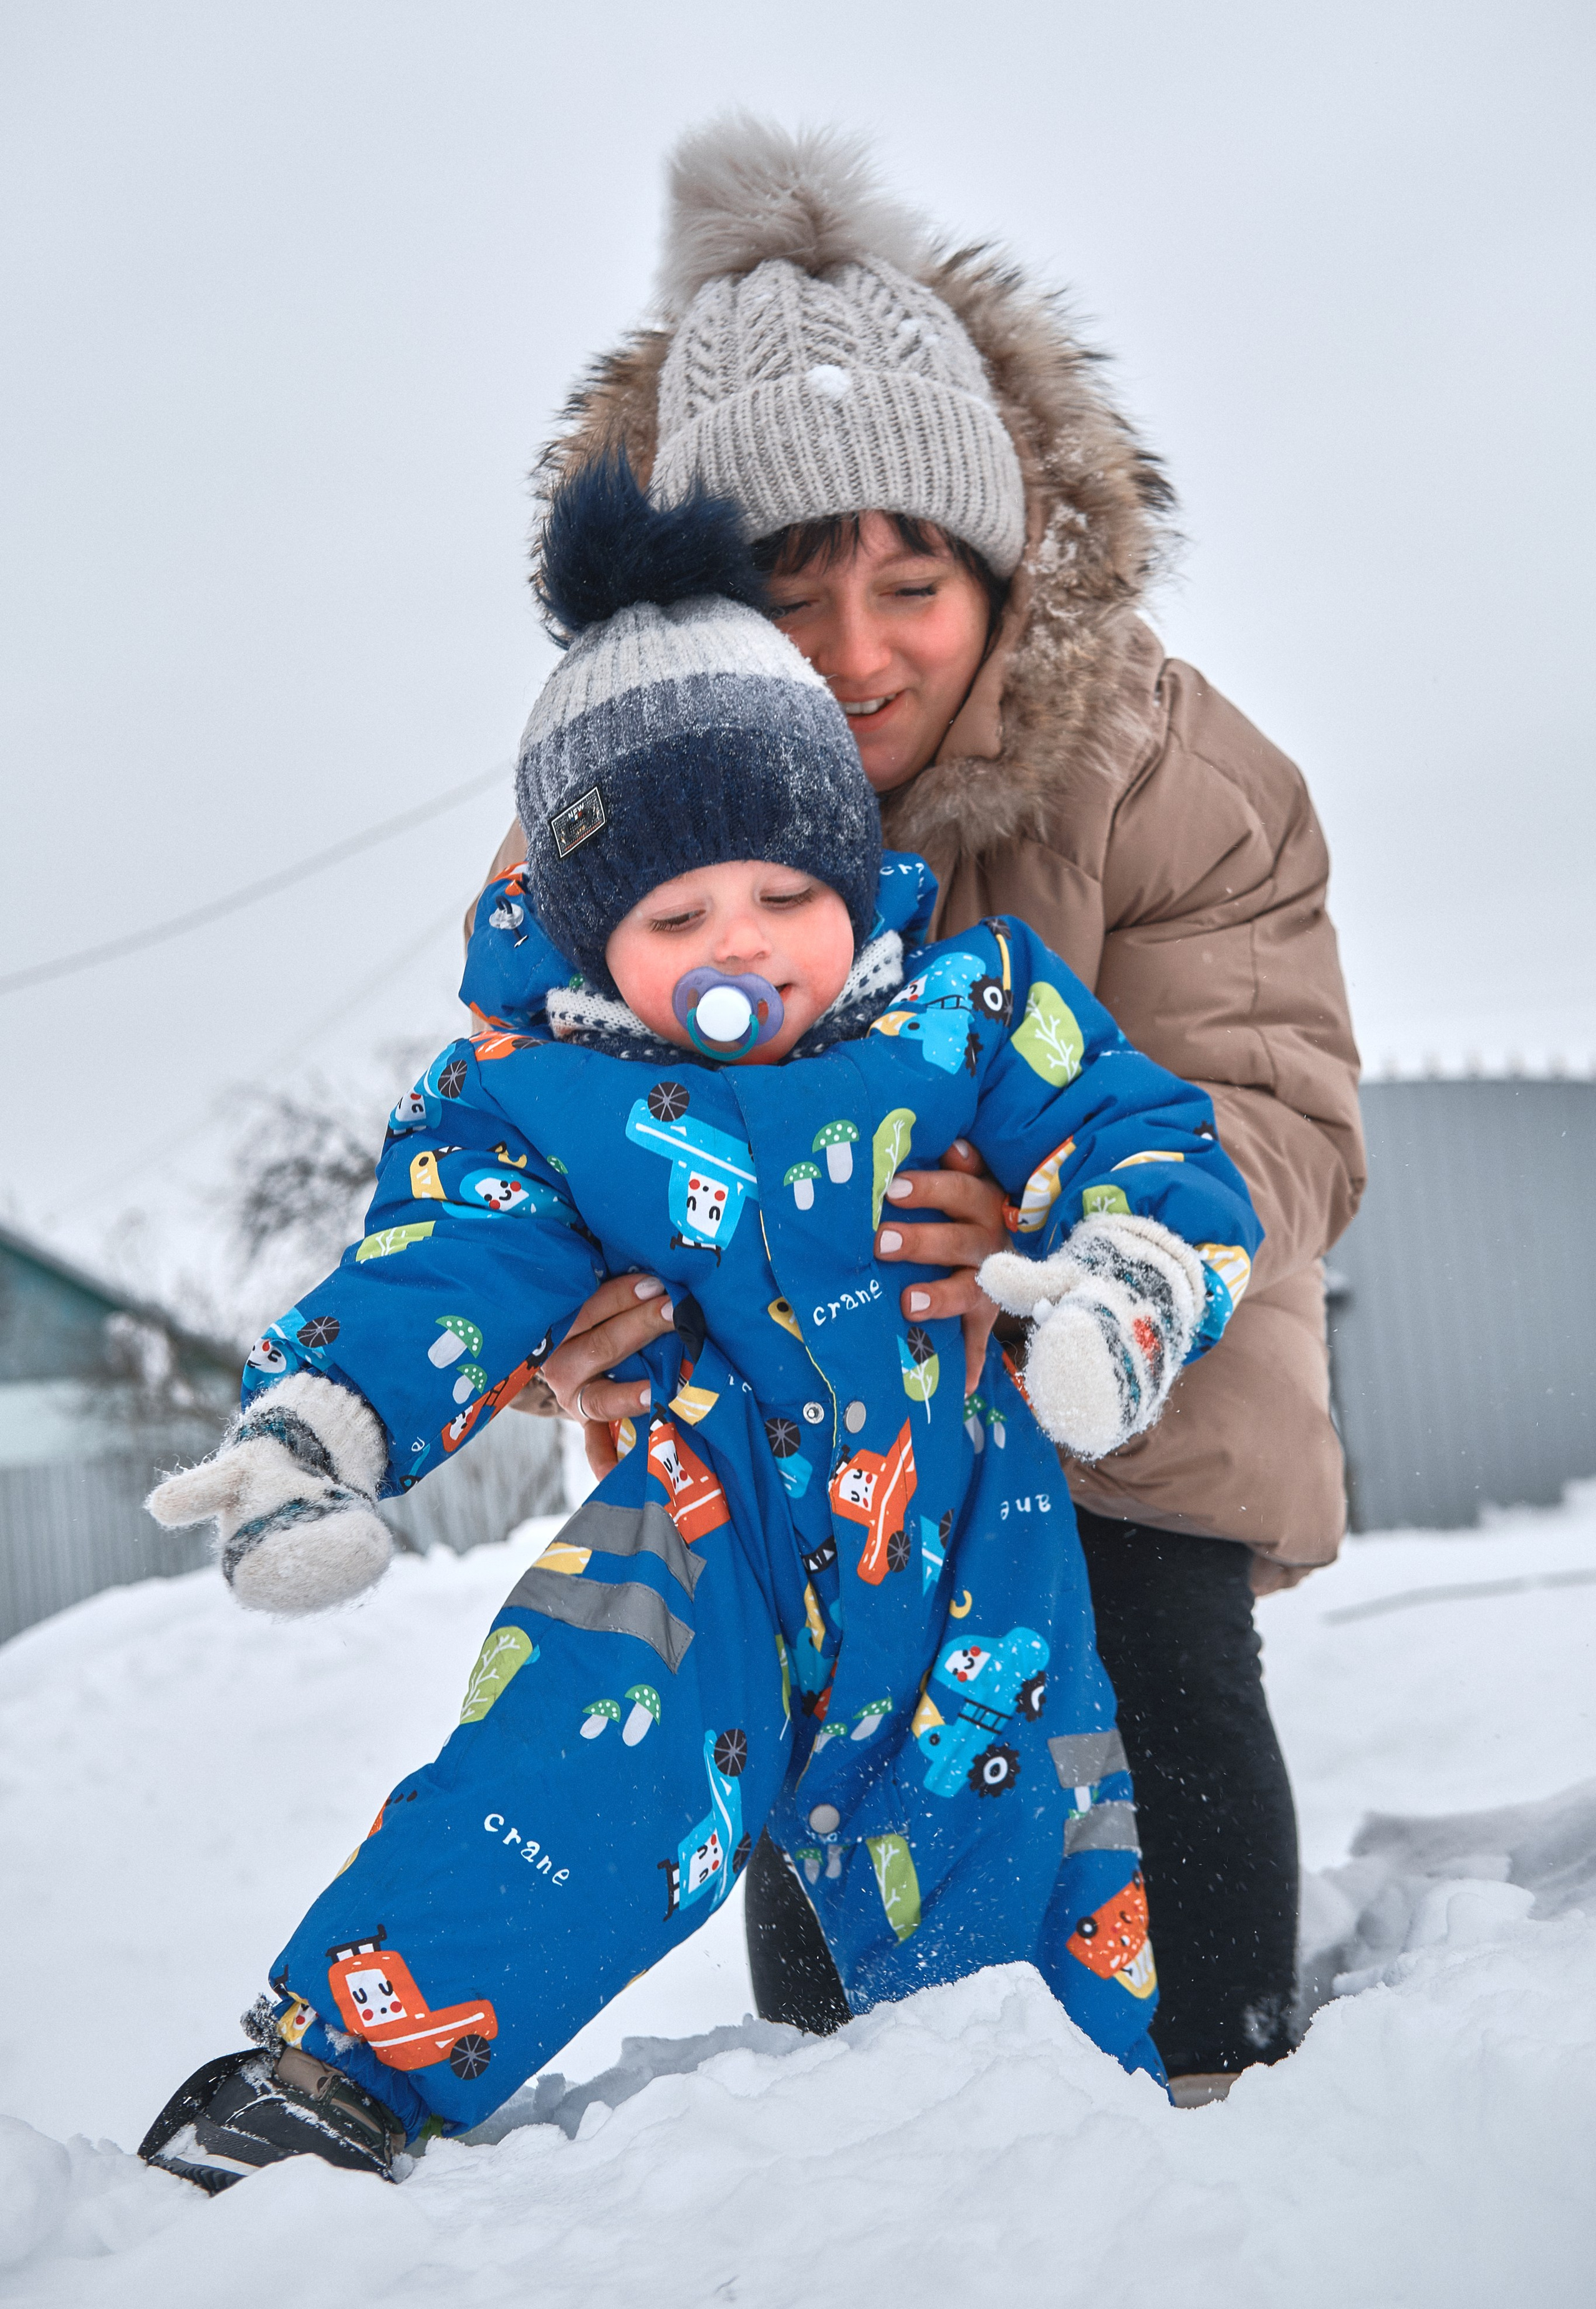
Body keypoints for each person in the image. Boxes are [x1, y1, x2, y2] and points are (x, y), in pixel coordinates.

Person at [136, 459, 1260, 2188]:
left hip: (971, 1536)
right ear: (595, 934)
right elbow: (442, 1268)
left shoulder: (969, 1011)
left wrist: (1117, 1275)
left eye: (789, 895)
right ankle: (339, 2075)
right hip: (703, 1528)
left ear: (850, 870)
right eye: (679, 917)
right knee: (563, 1774)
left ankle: (1042, 2154)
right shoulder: (539, 1095)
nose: (749, 944)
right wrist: (321, 1434)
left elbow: (1149, 1133)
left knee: (1025, 1843)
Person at [488, 117, 1365, 2096]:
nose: (863, 651)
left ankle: (1223, 2082)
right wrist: (562, 1324)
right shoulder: (630, 814)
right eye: (796, 591)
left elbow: (1277, 1104)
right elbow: (528, 1118)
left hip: (1124, 1387)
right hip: (814, 1419)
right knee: (833, 1730)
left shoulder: (1167, 771)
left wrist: (1082, 1254)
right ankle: (869, 2126)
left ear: (1003, 563)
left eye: (913, 579)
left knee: (1140, 1652)